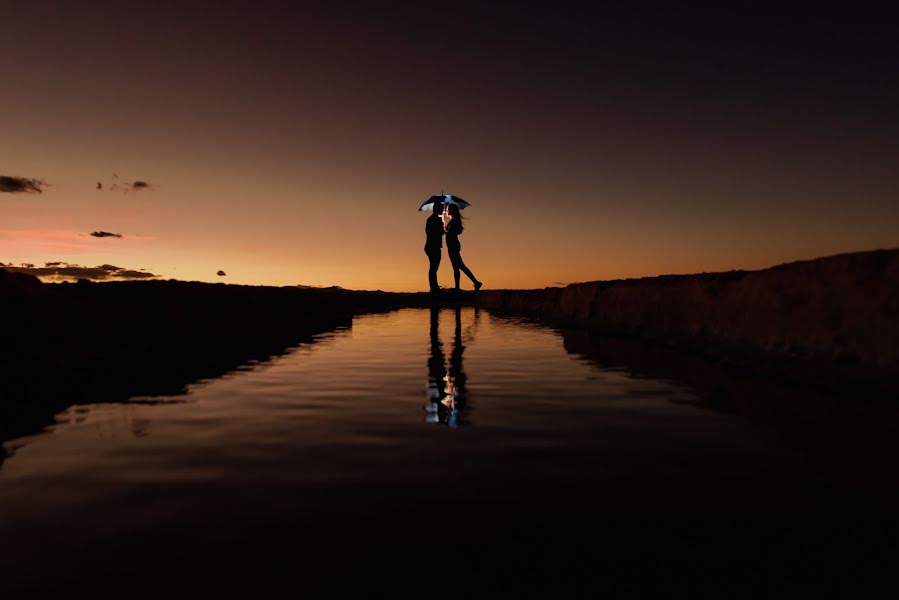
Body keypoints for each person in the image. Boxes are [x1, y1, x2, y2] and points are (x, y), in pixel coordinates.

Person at [443, 203, 482, 292]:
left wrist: (445, 230)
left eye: (448, 209)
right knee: (457, 266)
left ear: (452, 211)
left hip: (453, 245)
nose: (447, 211)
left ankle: (475, 282)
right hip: (452, 245)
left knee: (459, 265)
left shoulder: (455, 221)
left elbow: (452, 233)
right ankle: (460, 286)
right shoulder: (453, 220)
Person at [424, 200, 444, 293]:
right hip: (433, 246)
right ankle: (433, 287)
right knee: (433, 267)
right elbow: (439, 233)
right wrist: (442, 225)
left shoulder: (432, 219)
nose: (443, 211)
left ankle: (434, 286)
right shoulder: (434, 219)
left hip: (431, 246)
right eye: (442, 209)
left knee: (433, 267)